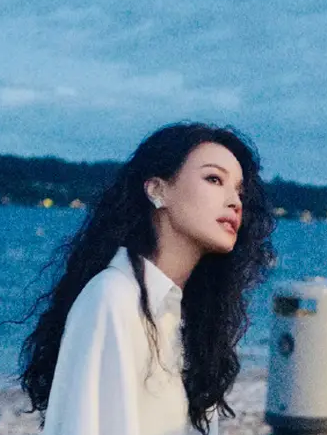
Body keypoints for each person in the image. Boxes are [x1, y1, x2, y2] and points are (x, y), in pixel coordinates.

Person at [17, 122, 276, 435]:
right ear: (157, 190)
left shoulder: (189, 318)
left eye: (239, 191)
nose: (235, 201)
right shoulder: (113, 297)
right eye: (214, 179)